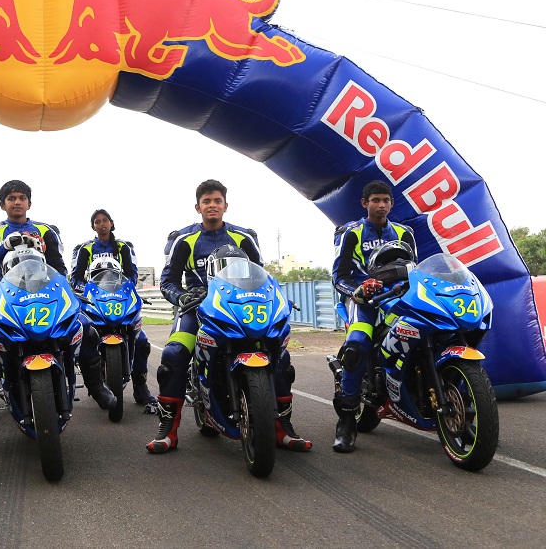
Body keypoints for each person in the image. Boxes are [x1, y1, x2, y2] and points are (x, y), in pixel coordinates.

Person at [147, 179, 311, 454]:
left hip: (241, 306)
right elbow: (168, 281)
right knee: (174, 355)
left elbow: (262, 275)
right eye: (206, 201)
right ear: (198, 207)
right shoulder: (183, 239)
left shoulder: (244, 237)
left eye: (217, 201)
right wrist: (182, 297)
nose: (212, 205)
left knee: (280, 354)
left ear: (226, 205)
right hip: (198, 308)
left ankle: (282, 428)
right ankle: (168, 431)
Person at [0, 179, 89, 452]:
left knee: (86, 327)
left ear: (29, 203)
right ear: (2, 205)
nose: (17, 202)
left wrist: (70, 295)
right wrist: (5, 244)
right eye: (11, 198)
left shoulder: (46, 231)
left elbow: (59, 268)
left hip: (46, 300)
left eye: (21, 198)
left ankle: (98, 385)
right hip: (6, 303)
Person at [331, 179, 417, 453]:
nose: (381, 205)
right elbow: (339, 276)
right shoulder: (351, 233)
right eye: (376, 200)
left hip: (399, 296)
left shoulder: (404, 232)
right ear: (364, 203)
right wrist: (356, 291)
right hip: (363, 300)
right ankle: (346, 421)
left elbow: (415, 270)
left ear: (392, 203)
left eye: (386, 200)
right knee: (357, 346)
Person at [70, 208, 154, 405]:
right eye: (97, 222)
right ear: (93, 226)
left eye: (105, 220)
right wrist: (87, 289)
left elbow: (132, 274)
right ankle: (82, 383)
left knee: (141, 341)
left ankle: (140, 387)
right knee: (81, 335)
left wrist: (125, 288)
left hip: (119, 298)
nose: (102, 224)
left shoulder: (124, 246)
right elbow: (76, 279)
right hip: (95, 300)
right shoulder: (85, 249)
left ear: (111, 223)